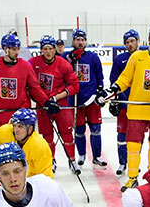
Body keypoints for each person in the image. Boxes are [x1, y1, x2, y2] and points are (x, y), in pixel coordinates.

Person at [99, 23, 150, 191]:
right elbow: (124, 79)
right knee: (133, 147)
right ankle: (132, 178)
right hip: (137, 111)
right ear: (148, 38)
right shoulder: (137, 57)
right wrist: (111, 91)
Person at [0, 33, 53, 127]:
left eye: (18, 49)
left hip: (23, 113)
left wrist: (46, 102)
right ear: (6, 49)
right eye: (14, 49)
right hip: (3, 113)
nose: (17, 52)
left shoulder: (25, 66)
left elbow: (35, 88)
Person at [28, 35, 80, 171]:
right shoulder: (34, 63)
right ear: (41, 50)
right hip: (42, 105)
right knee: (47, 136)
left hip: (61, 105)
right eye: (45, 48)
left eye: (51, 48)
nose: (48, 51)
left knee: (67, 134)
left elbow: (75, 86)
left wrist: (57, 97)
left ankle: (72, 160)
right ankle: (50, 160)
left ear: (55, 48)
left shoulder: (63, 64)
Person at [0, 108, 53, 196]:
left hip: (26, 185)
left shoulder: (40, 146)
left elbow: (45, 178)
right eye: (15, 125)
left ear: (30, 128)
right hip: (6, 178)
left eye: (20, 126)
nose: (15, 130)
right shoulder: (6, 131)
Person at [64, 29, 105, 171]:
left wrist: (100, 91)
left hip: (92, 99)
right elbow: (62, 73)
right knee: (79, 130)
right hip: (75, 100)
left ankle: (97, 156)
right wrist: (71, 59)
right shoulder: (66, 57)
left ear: (86, 41)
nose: (80, 42)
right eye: (77, 40)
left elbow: (99, 75)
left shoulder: (93, 57)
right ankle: (81, 154)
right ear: (73, 41)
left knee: (95, 129)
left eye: (82, 40)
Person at [108, 29, 140, 177]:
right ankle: (122, 162)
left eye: (132, 41)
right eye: (127, 42)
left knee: (137, 137)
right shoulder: (120, 59)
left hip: (139, 106)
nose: (130, 44)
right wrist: (115, 99)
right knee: (122, 136)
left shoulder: (143, 58)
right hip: (123, 104)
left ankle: (135, 162)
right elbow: (114, 80)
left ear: (138, 41)